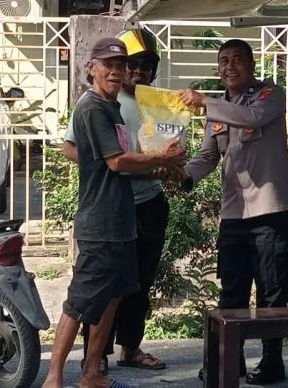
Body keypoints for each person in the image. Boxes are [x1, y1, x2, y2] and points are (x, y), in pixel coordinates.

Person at [41, 37, 185, 388]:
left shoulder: (113, 107)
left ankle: (92, 372)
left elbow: (120, 168)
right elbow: (117, 162)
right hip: (101, 222)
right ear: (91, 68)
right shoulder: (92, 107)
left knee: (115, 296)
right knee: (80, 302)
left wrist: (158, 170)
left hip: (123, 221)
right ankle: (54, 378)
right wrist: (160, 158)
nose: (118, 72)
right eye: (111, 65)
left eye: (122, 65)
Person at [179, 39, 288, 386]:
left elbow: (252, 117)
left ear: (251, 64)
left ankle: (272, 363)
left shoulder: (269, 95)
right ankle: (231, 362)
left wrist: (205, 101)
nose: (229, 67)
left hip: (270, 211)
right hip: (234, 214)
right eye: (223, 61)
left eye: (236, 60)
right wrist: (182, 175)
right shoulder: (217, 111)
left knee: (272, 294)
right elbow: (207, 156)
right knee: (231, 293)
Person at [64, 29, 170, 373]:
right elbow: (73, 148)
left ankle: (130, 348)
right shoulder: (101, 102)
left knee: (137, 282)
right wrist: (109, 167)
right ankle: (95, 358)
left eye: (144, 66)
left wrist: (163, 166)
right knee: (98, 288)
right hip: (111, 207)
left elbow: (162, 148)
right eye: (131, 65)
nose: (136, 71)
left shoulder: (157, 103)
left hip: (148, 202)